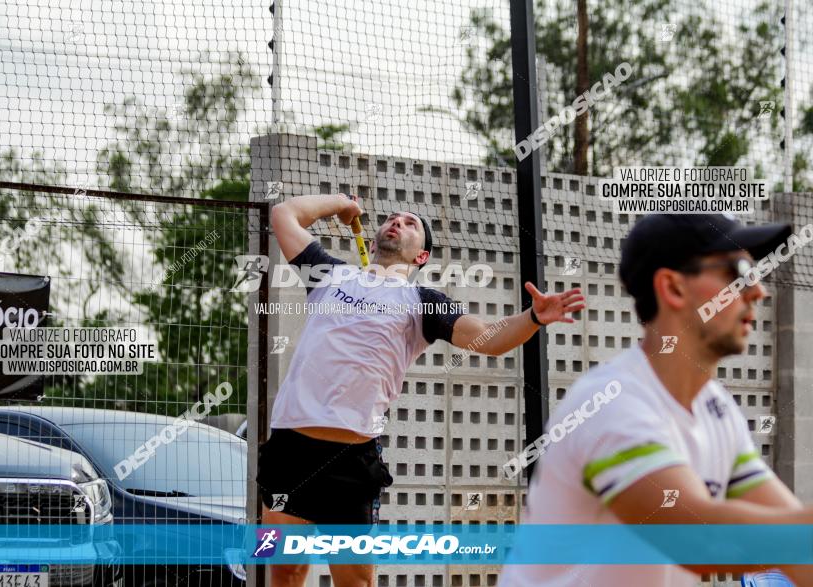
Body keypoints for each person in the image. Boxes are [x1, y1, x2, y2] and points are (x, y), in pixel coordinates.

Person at [257, 193, 585, 587]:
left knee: (355, 582)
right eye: (392, 218)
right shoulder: (329, 275)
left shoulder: (420, 302)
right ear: (374, 240)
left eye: (410, 223)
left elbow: (487, 338)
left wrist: (533, 317)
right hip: (291, 447)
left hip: (351, 459)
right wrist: (341, 204)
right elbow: (283, 214)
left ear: (421, 257)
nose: (398, 222)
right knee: (286, 571)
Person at [498, 213, 813, 586]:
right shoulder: (611, 403)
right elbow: (697, 540)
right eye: (739, 270)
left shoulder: (718, 410)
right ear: (673, 288)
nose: (757, 290)